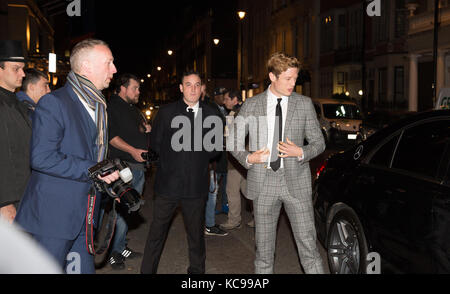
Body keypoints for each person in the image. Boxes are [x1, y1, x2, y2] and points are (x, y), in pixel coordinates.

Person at [15, 39, 119, 274]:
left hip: (87, 213)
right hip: (54, 218)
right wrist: (96, 169)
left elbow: (91, 154)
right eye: (109, 63)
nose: (114, 69)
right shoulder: (54, 102)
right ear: (86, 67)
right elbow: (42, 158)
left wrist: (111, 182)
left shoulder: (99, 106)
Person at [230, 52, 326, 274]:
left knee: (309, 250)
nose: (293, 84)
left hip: (297, 184)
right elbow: (233, 141)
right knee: (263, 253)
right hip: (263, 183)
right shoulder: (252, 105)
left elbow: (319, 143)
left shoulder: (303, 104)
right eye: (288, 79)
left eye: (295, 78)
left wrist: (300, 151)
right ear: (272, 77)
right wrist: (248, 158)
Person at [140, 71, 221, 274]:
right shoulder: (167, 113)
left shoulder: (212, 113)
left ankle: (196, 273)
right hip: (168, 185)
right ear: (181, 88)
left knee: (196, 236)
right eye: (188, 84)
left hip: (196, 185)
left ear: (202, 88)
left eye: (197, 85)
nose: (193, 89)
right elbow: (156, 145)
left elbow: (216, 149)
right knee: (156, 233)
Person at [104, 73, 149, 269]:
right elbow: (111, 137)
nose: (138, 91)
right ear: (123, 88)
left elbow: (133, 132)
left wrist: (145, 130)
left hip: (137, 167)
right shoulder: (113, 106)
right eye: (135, 88)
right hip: (123, 167)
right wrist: (133, 150)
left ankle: (121, 246)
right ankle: (113, 253)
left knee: (128, 211)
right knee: (120, 212)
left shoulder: (130, 107)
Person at [0, 40, 31, 224]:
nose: (23, 73)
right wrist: (4, 201)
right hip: (11, 198)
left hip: (23, 192)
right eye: (16, 68)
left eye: (23, 68)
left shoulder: (16, 102)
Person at [220, 89, 248, 231]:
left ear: (235, 99)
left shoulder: (237, 114)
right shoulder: (240, 112)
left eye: (226, 99)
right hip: (244, 159)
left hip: (237, 160)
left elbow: (231, 137)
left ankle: (234, 220)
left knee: (231, 191)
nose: (224, 102)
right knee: (247, 189)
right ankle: (260, 217)